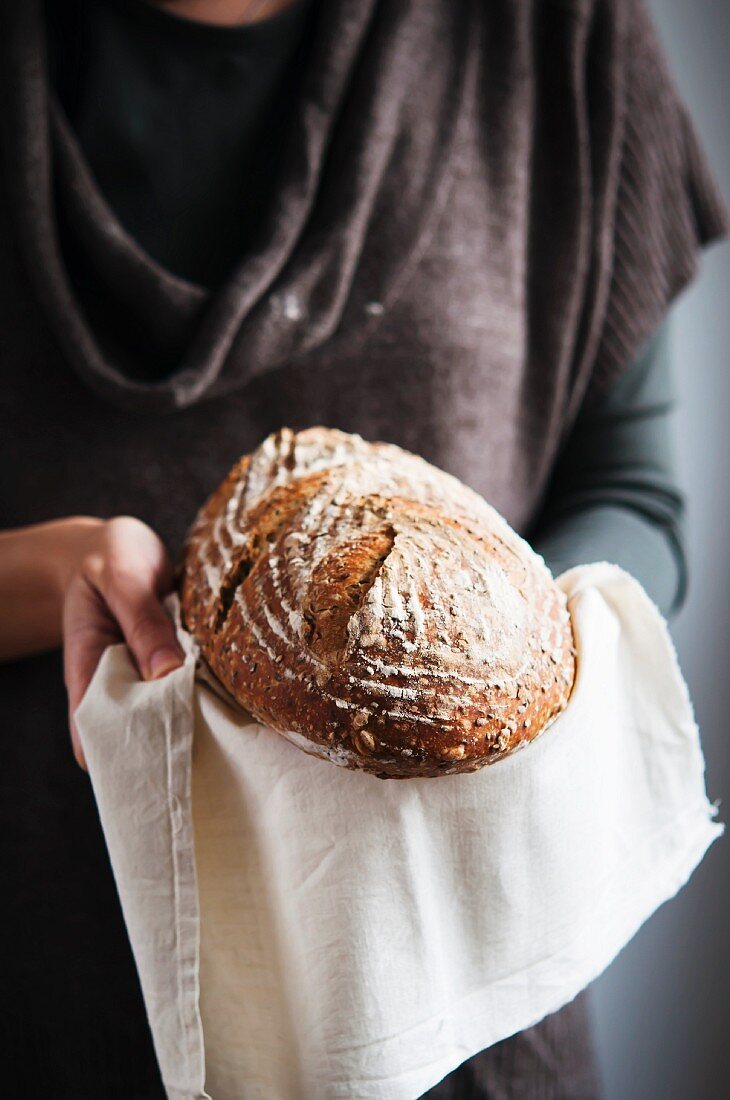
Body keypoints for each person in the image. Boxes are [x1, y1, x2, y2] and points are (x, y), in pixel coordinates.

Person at [0, 0, 726, 1096]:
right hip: (52, 993)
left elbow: (632, 492)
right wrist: (52, 572)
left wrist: (501, 648)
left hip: (466, 1028)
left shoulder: (553, 36)